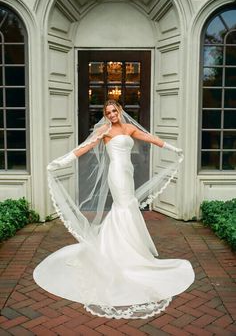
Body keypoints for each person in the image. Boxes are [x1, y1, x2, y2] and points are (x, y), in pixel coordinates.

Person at [33, 100, 195, 319]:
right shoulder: (104, 131)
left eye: (114, 111)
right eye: (108, 113)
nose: (111, 115)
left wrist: (172, 147)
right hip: (116, 174)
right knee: (123, 207)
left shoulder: (129, 128)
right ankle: (118, 252)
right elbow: (85, 148)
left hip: (127, 172)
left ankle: (130, 249)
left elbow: (149, 138)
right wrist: (61, 163)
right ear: (106, 115)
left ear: (120, 110)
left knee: (128, 208)